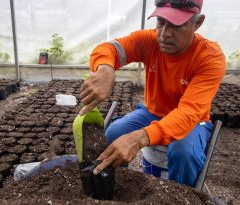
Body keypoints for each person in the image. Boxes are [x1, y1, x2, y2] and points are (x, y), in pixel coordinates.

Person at [79, 0, 226, 187]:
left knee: (183, 154)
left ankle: (180, 195)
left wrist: (139, 137)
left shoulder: (209, 57)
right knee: (113, 134)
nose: (164, 35)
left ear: (197, 23)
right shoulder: (149, 41)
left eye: (176, 26)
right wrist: (105, 68)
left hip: (192, 120)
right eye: (161, 23)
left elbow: (188, 113)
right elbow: (109, 48)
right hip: (152, 112)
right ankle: (111, 188)